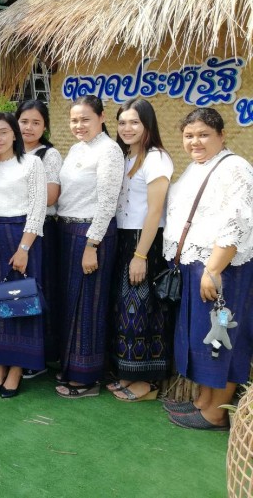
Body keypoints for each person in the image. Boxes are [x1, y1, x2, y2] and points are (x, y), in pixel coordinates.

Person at [162, 107, 253, 431]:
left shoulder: (235, 168)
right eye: (189, 136)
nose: (195, 142)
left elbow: (237, 222)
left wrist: (213, 269)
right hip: (196, 266)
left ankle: (217, 412)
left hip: (222, 269)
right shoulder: (197, 168)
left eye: (203, 135)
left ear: (221, 135)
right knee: (204, 337)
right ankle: (203, 401)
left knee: (223, 338)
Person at [55, 95, 124, 398]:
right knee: (71, 302)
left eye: (85, 119)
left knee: (88, 306)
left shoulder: (109, 151)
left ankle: (87, 377)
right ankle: (71, 365)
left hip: (92, 235)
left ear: (102, 117)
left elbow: (108, 202)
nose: (79, 125)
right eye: (74, 120)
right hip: (67, 230)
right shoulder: (76, 148)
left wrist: (92, 244)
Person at [0, 112, 46, 398]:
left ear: (14, 133)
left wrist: (24, 248)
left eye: (3, 132)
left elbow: (38, 208)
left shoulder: (32, 163)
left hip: (20, 237)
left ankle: (16, 369)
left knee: (19, 303)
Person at [109, 98, 173, 402]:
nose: (127, 128)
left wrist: (140, 255)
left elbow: (154, 210)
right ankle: (126, 373)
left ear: (147, 124)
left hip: (145, 241)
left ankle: (146, 381)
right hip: (124, 237)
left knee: (142, 310)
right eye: (122, 122)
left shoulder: (156, 158)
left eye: (134, 122)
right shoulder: (125, 156)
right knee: (124, 309)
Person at [16, 99, 62, 376]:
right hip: (12, 227)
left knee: (36, 290)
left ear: (45, 127)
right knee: (16, 291)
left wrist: (15, 197)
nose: (29, 128)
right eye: (24, 121)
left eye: (36, 122)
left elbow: (52, 196)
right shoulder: (9, 151)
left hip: (41, 229)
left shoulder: (49, 155)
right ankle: (16, 351)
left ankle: (37, 357)